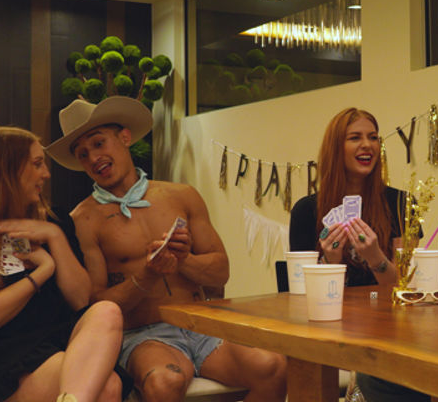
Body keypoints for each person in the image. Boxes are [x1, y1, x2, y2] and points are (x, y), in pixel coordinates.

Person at [45, 97, 287, 402]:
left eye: (98, 143)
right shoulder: (83, 220)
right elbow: (95, 305)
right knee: (164, 382)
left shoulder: (182, 195)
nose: (94, 158)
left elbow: (220, 274)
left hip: (203, 325)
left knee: (273, 366)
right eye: (83, 154)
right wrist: (146, 275)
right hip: (144, 336)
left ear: (124, 137)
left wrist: (182, 261)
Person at [0, 127, 124, 402]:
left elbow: (81, 299)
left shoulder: (55, 223)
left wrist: (55, 238)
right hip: (3, 357)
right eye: (36, 164)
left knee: (107, 311)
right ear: (7, 170)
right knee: (108, 387)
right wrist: (43, 272)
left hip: (57, 340)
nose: (46, 174)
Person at [290, 107, 414, 288]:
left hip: (386, 313)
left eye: (373, 137)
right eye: (355, 138)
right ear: (335, 149)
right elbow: (300, 290)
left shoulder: (401, 203)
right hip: (329, 311)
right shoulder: (305, 210)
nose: (367, 145)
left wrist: (375, 258)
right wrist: (330, 261)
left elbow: (405, 286)